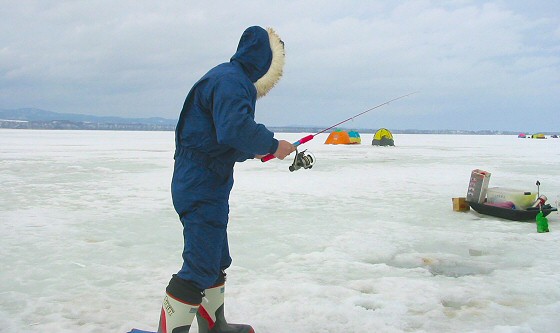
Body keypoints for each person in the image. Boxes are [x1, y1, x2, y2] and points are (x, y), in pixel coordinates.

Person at [158, 26, 294, 333]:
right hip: (200, 184)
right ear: (264, 60)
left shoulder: (226, 78)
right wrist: (272, 145)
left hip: (206, 180)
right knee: (199, 266)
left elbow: (220, 138)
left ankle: (214, 326)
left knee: (217, 257)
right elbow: (235, 128)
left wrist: (258, 152)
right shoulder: (233, 82)